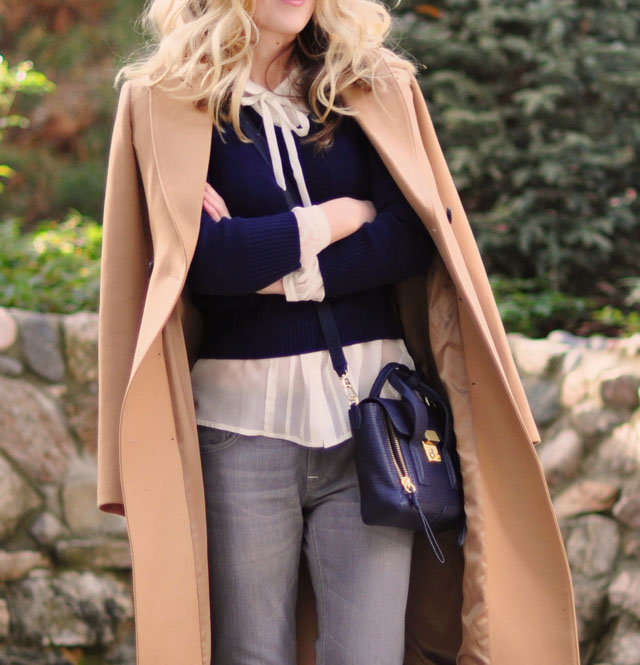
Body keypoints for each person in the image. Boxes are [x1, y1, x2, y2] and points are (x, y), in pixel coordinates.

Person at [97, 1, 580, 664]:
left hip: (377, 429)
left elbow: (410, 236)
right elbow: (207, 263)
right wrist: (342, 216)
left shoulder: (372, 86)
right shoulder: (166, 101)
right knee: (250, 655)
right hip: (238, 433)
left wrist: (275, 261)